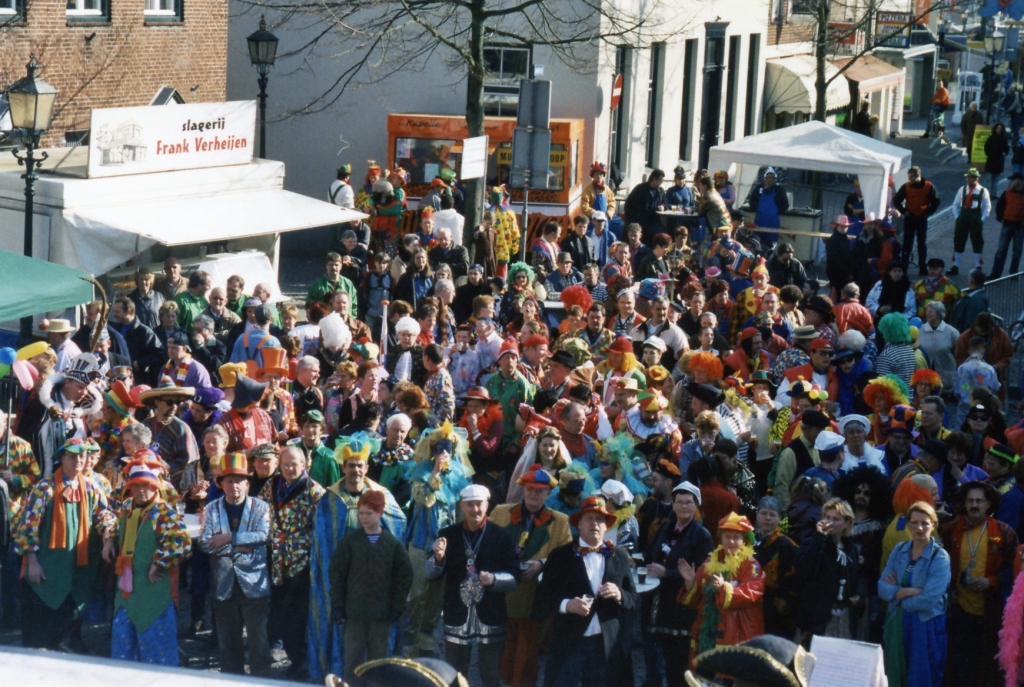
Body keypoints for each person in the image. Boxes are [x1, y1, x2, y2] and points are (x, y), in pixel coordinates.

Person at [307, 432, 407, 681]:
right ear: (343, 467)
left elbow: (399, 523)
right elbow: (322, 540)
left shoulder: (381, 495)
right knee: (349, 641)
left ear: (367, 467)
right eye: (351, 465)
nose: (356, 470)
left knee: (378, 646)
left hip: (377, 582)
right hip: (345, 581)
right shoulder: (330, 499)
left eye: (360, 465)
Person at [13, 439, 115, 649]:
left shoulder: (92, 488)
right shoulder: (45, 487)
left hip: (76, 570)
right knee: (37, 631)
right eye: (72, 456)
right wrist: (33, 562)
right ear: (62, 458)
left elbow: (104, 516)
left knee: (67, 618)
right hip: (45, 568)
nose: (78, 460)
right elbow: (28, 526)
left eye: (82, 456)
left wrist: (108, 536)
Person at [534, 494, 638, 687]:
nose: (594, 524)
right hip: (569, 641)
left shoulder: (619, 557)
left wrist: (619, 594)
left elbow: (632, 598)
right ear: (579, 524)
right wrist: (567, 605)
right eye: (589, 518)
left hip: (605, 644)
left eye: (599, 519)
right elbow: (542, 599)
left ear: (606, 526)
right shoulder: (559, 556)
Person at [424, 484, 519, 687]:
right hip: (456, 611)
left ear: (487, 505)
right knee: (454, 673)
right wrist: (438, 558)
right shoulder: (448, 535)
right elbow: (430, 574)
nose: (475, 509)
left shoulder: (501, 536)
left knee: (491, 673)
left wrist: (494, 580)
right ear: (462, 506)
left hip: (491, 612)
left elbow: (515, 576)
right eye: (469, 505)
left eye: (479, 504)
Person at [490, 465, 573, 687]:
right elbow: (487, 545)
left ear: (548, 493)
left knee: (527, 654)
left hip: (535, 598)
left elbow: (567, 558)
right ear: (523, 490)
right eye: (529, 489)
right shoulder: (500, 513)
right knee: (503, 649)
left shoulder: (560, 521)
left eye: (539, 491)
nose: (533, 494)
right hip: (502, 595)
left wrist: (543, 564)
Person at [105, 457, 190, 666]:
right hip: (126, 593)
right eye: (137, 485)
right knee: (123, 649)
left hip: (154, 592)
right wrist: (109, 540)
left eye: (147, 485)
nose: (142, 490)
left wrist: (159, 561)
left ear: (155, 487)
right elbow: (115, 525)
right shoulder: (127, 507)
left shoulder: (163, 512)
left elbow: (182, 542)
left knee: (157, 652)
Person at [197, 452, 272, 676]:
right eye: (229, 481)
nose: (234, 486)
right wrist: (240, 547)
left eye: (239, 481)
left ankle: (262, 680)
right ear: (221, 484)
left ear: (247, 484)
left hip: (255, 583)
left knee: (258, 640)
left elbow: (264, 536)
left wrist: (230, 538)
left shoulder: (261, 507)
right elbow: (205, 543)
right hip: (223, 584)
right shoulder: (211, 509)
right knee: (228, 642)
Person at [328, 489, 413, 685]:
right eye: (361, 513)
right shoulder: (350, 543)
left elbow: (404, 577)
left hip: (381, 615)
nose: (364, 518)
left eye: (369, 513)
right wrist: (339, 604)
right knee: (353, 659)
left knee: (378, 662)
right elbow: (337, 574)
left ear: (380, 513)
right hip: (354, 613)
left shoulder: (392, 545)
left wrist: (397, 605)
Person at [257, 445, 326, 678]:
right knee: (276, 607)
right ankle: (276, 647)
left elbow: (320, 530)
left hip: (301, 563)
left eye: (294, 464)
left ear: (304, 465)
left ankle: (300, 662)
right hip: (276, 559)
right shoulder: (272, 485)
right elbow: (258, 510)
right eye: (285, 464)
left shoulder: (314, 492)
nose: (289, 469)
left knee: (297, 615)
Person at [942, 482, 1019, 687]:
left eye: (979, 501)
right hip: (959, 611)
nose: (975, 505)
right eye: (970, 501)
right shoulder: (950, 529)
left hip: (991, 611)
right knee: (961, 666)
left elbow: (1014, 572)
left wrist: (991, 581)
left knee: (987, 668)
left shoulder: (1004, 532)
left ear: (988, 504)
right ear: (964, 504)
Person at [645, 482, 713, 687]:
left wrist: (668, 573)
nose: (684, 506)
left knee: (681, 658)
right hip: (661, 602)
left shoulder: (702, 535)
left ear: (696, 506)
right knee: (667, 657)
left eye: (689, 503)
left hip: (683, 606)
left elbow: (702, 571)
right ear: (673, 505)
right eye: (680, 502)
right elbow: (651, 552)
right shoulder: (665, 528)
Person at [876, 500, 950, 687]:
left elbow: (929, 600)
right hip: (896, 621)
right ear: (908, 525)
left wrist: (896, 597)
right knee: (894, 674)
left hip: (925, 625)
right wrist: (905, 592)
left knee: (921, 677)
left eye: (925, 523)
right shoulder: (899, 550)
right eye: (914, 522)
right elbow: (882, 588)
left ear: (933, 525)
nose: (919, 528)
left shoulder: (940, 557)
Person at [678, 512, 765, 657]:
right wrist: (690, 583)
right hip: (709, 629)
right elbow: (699, 598)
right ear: (721, 538)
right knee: (705, 667)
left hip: (738, 632)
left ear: (744, 540)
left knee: (731, 669)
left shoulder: (751, 565)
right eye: (727, 537)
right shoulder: (710, 562)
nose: (731, 541)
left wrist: (723, 588)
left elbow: (751, 593)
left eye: (736, 537)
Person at [793, 498, 860, 643]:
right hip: (816, 619)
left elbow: (855, 577)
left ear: (846, 523)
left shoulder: (851, 549)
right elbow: (805, 571)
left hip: (843, 617)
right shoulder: (811, 542)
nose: (829, 522)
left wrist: (856, 594)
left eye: (836, 519)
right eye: (827, 517)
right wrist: (819, 537)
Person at [893, 167, 942, 275]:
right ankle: (904, 266)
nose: (909, 179)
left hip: (921, 218)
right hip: (910, 217)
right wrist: (903, 211)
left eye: (911, 177)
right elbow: (896, 199)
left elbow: (936, 201)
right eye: (909, 177)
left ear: (918, 176)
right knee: (907, 243)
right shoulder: (906, 186)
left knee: (921, 243)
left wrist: (928, 212)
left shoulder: (929, 186)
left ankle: (922, 267)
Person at [949, 169, 991, 276]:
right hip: (963, 216)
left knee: (977, 240)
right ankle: (955, 265)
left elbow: (987, 206)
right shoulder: (962, 189)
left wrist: (982, 219)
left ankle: (978, 265)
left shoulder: (983, 190)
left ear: (976, 178)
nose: (968, 179)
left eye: (970, 177)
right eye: (967, 177)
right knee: (958, 239)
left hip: (975, 217)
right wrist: (957, 217)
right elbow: (955, 204)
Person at [992, 171, 1024, 278]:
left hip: (1020, 226)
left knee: (1017, 251)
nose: (1011, 182)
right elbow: (1000, 206)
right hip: (1008, 224)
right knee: (1001, 250)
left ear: (1019, 181)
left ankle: (1013, 273)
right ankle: (996, 273)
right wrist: (1000, 218)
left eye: (1012, 180)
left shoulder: (1009, 192)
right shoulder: (1007, 192)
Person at [746, 167, 790, 245]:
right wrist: (756, 208)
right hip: (759, 222)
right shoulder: (758, 188)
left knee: (771, 245)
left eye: (772, 178)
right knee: (756, 243)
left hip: (773, 223)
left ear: (775, 179)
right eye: (768, 177)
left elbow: (785, 205)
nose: (770, 179)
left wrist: (776, 211)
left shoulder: (779, 190)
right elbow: (752, 200)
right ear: (765, 178)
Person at [624, 168, 667, 240]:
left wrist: (663, 206)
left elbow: (666, 202)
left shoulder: (660, 191)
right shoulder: (640, 189)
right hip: (640, 221)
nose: (661, 182)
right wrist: (633, 219)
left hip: (654, 221)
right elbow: (629, 204)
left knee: (663, 236)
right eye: (660, 179)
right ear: (654, 179)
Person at [986, 122, 1011, 191]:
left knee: (996, 180)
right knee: (989, 180)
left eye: (1000, 128)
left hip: (999, 161)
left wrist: (1004, 155)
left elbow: (1006, 149)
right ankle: (987, 193)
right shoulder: (991, 138)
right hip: (991, 161)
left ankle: (993, 194)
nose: (999, 129)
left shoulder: (1004, 139)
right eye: (998, 128)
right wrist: (990, 154)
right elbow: (986, 148)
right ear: (995, 129)